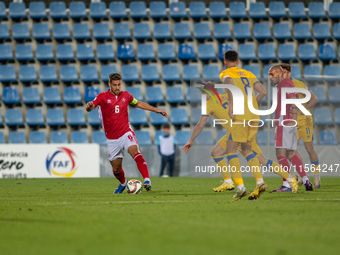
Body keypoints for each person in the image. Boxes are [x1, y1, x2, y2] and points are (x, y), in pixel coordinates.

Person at [183, 83, 298, 195]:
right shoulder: (228, 96)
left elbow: (200, 124)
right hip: (241, 128)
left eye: (204, 93)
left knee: (262, 160)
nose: (203, 96)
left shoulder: (209, 104)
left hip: (237, 132)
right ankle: (228, 182)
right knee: (216, 152)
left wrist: (191, 140)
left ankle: (288, 178)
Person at [219, 50, 297, 200]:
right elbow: (262, 91)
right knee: (251, 152)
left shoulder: (225, 74)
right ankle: (285, 178)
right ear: (238, 60)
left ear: (224, 61)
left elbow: (229, 84)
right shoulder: (247, 73)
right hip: (253, 115)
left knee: (230, 150)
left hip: (240, 116)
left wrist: (232, 107)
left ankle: (241, 187)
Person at [86, 73, 168, 193]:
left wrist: (156, 110)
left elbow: (138, 103)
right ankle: (123, 183)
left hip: (125, 132)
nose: (117, 87)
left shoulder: (126, 95)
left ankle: (147, 180)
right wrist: (88, 106)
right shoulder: (102, 97)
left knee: (135, 152)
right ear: (109, 84)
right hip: (111, 138)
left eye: (119, 84)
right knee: (116, 168)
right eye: (114, 85)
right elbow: (91, 106)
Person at [268, 65, 313, 191]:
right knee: (291, 154)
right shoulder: (290, 84)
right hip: (290, 122)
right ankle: (306, 180)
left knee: (280, 154)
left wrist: (292, 119)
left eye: (272, 74)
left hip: (284, 122)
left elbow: (294, 101)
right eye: (269, 74)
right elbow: (297, 99)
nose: (270, 77)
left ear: (280, 74)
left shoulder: (284, 85)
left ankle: (287, 184)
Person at [279, 63, 321, 189]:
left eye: (285, 73)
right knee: (291, 150)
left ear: (289, 73)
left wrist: (305, 108)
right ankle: (303, 176)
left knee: (309, 149)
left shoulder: (299, 85)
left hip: (304, 121)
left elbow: (314, 98)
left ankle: (317, 175)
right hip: (292, 121)